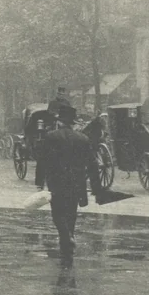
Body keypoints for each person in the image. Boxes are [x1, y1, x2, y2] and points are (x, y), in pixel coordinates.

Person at [35, 104, 105, 266]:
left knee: (57, 212)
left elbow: (42, 160)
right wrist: (96, 188)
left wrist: (39, 182)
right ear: (73, 123)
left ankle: (66, 237)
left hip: (56, 181)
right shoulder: (82, 139)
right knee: (71, 212)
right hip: (76, 181)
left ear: (59, 122)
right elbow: (93, 164)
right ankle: (68, 240)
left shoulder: (50, 137)